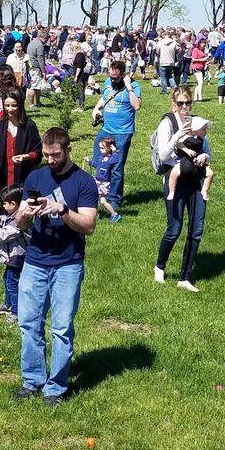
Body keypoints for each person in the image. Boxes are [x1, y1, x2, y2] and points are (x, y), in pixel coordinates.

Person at [12, 128, 97, 403]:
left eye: (55, 155)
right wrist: (23, 214)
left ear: (68, 149)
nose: (50, 160)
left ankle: (56, 387)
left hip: (68, 264)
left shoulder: (84, 182)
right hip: (35, 261)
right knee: (28, 323)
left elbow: (89, 225)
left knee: (60, 327)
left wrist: (62, 210)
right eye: (47, 155)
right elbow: (21, 225)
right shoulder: (35, 177)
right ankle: (32, 380)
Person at [153, 88, 211, 290]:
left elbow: (207, 150)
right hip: (174, 180)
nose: (184, 107)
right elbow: (162, 155)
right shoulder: (167, 123)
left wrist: (205, 157)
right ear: (173, 104)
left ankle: (184, 278)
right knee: (174, 229)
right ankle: (160, 266)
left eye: (187, 103)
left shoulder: (196, 122)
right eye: (180, 103)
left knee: (196, 230)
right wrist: (177, 136)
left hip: (195, 180)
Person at [92, 60, 141, 215]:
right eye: (111, 76)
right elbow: (105, 97)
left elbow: (136, 106)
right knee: (99, 162)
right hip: (105, 129)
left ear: (123, 75)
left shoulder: (134, 86)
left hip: (122, 132)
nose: (112, 80)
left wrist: (128, 86)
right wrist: (96, 109)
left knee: (116, 167)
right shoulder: (107, 82)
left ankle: (114, 200)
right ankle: (99, 194)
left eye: (115, 78)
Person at [0, 86, 41, 209]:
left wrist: (25, 157)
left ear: (20, 105)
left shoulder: (29, 126)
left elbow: (37, 151)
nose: (10, 109)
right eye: (7, 105)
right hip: (3, 171)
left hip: (22, 172)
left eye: (14, 105)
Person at [0, 184, 27, 318]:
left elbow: (3, 235)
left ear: (14, 204)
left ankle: (16, 312)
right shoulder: (13, 215)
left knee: (13, 284)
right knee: (7, 280)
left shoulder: (19, 221)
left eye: (5, 203)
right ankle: (8, 303)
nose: (3, 206)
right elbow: (5, 219)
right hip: (12, 257)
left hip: (16, 257)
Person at [165, 115, 213, 205]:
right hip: (185, 161)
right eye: (203, 129)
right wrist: (186, 149)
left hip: (198, 164)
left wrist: (204, 156)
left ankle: (205, 190)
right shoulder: (184, 137)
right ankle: (171, 191)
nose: (206, 132)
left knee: (210, 173)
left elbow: (208, 154)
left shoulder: (203, 140)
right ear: (195, 129)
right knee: (174, 173)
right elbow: (177, 144)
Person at [89, 133, 120, 220]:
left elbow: (116, 159)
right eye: (100, 148)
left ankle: (114, 214)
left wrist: (114, 151)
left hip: (104, 184)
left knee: (101, 201)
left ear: (109, 148)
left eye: (102, 148)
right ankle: (97, 214)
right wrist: (90, 162)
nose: (100, 150)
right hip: (98, 182)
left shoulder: (110, 159)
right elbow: (97, 165)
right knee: (97, 199)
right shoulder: (102, 158)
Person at [25, 27, 48, 109]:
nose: (46, 41)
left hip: (30, 66)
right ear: (44, 38)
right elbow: (40, 59)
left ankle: (38, 103)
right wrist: (44, 71)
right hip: (35, 67)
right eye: (46, 39)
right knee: (33, 86)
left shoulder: (32, 42)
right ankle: (31, 104)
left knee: (38, 87)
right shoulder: (40, 45)